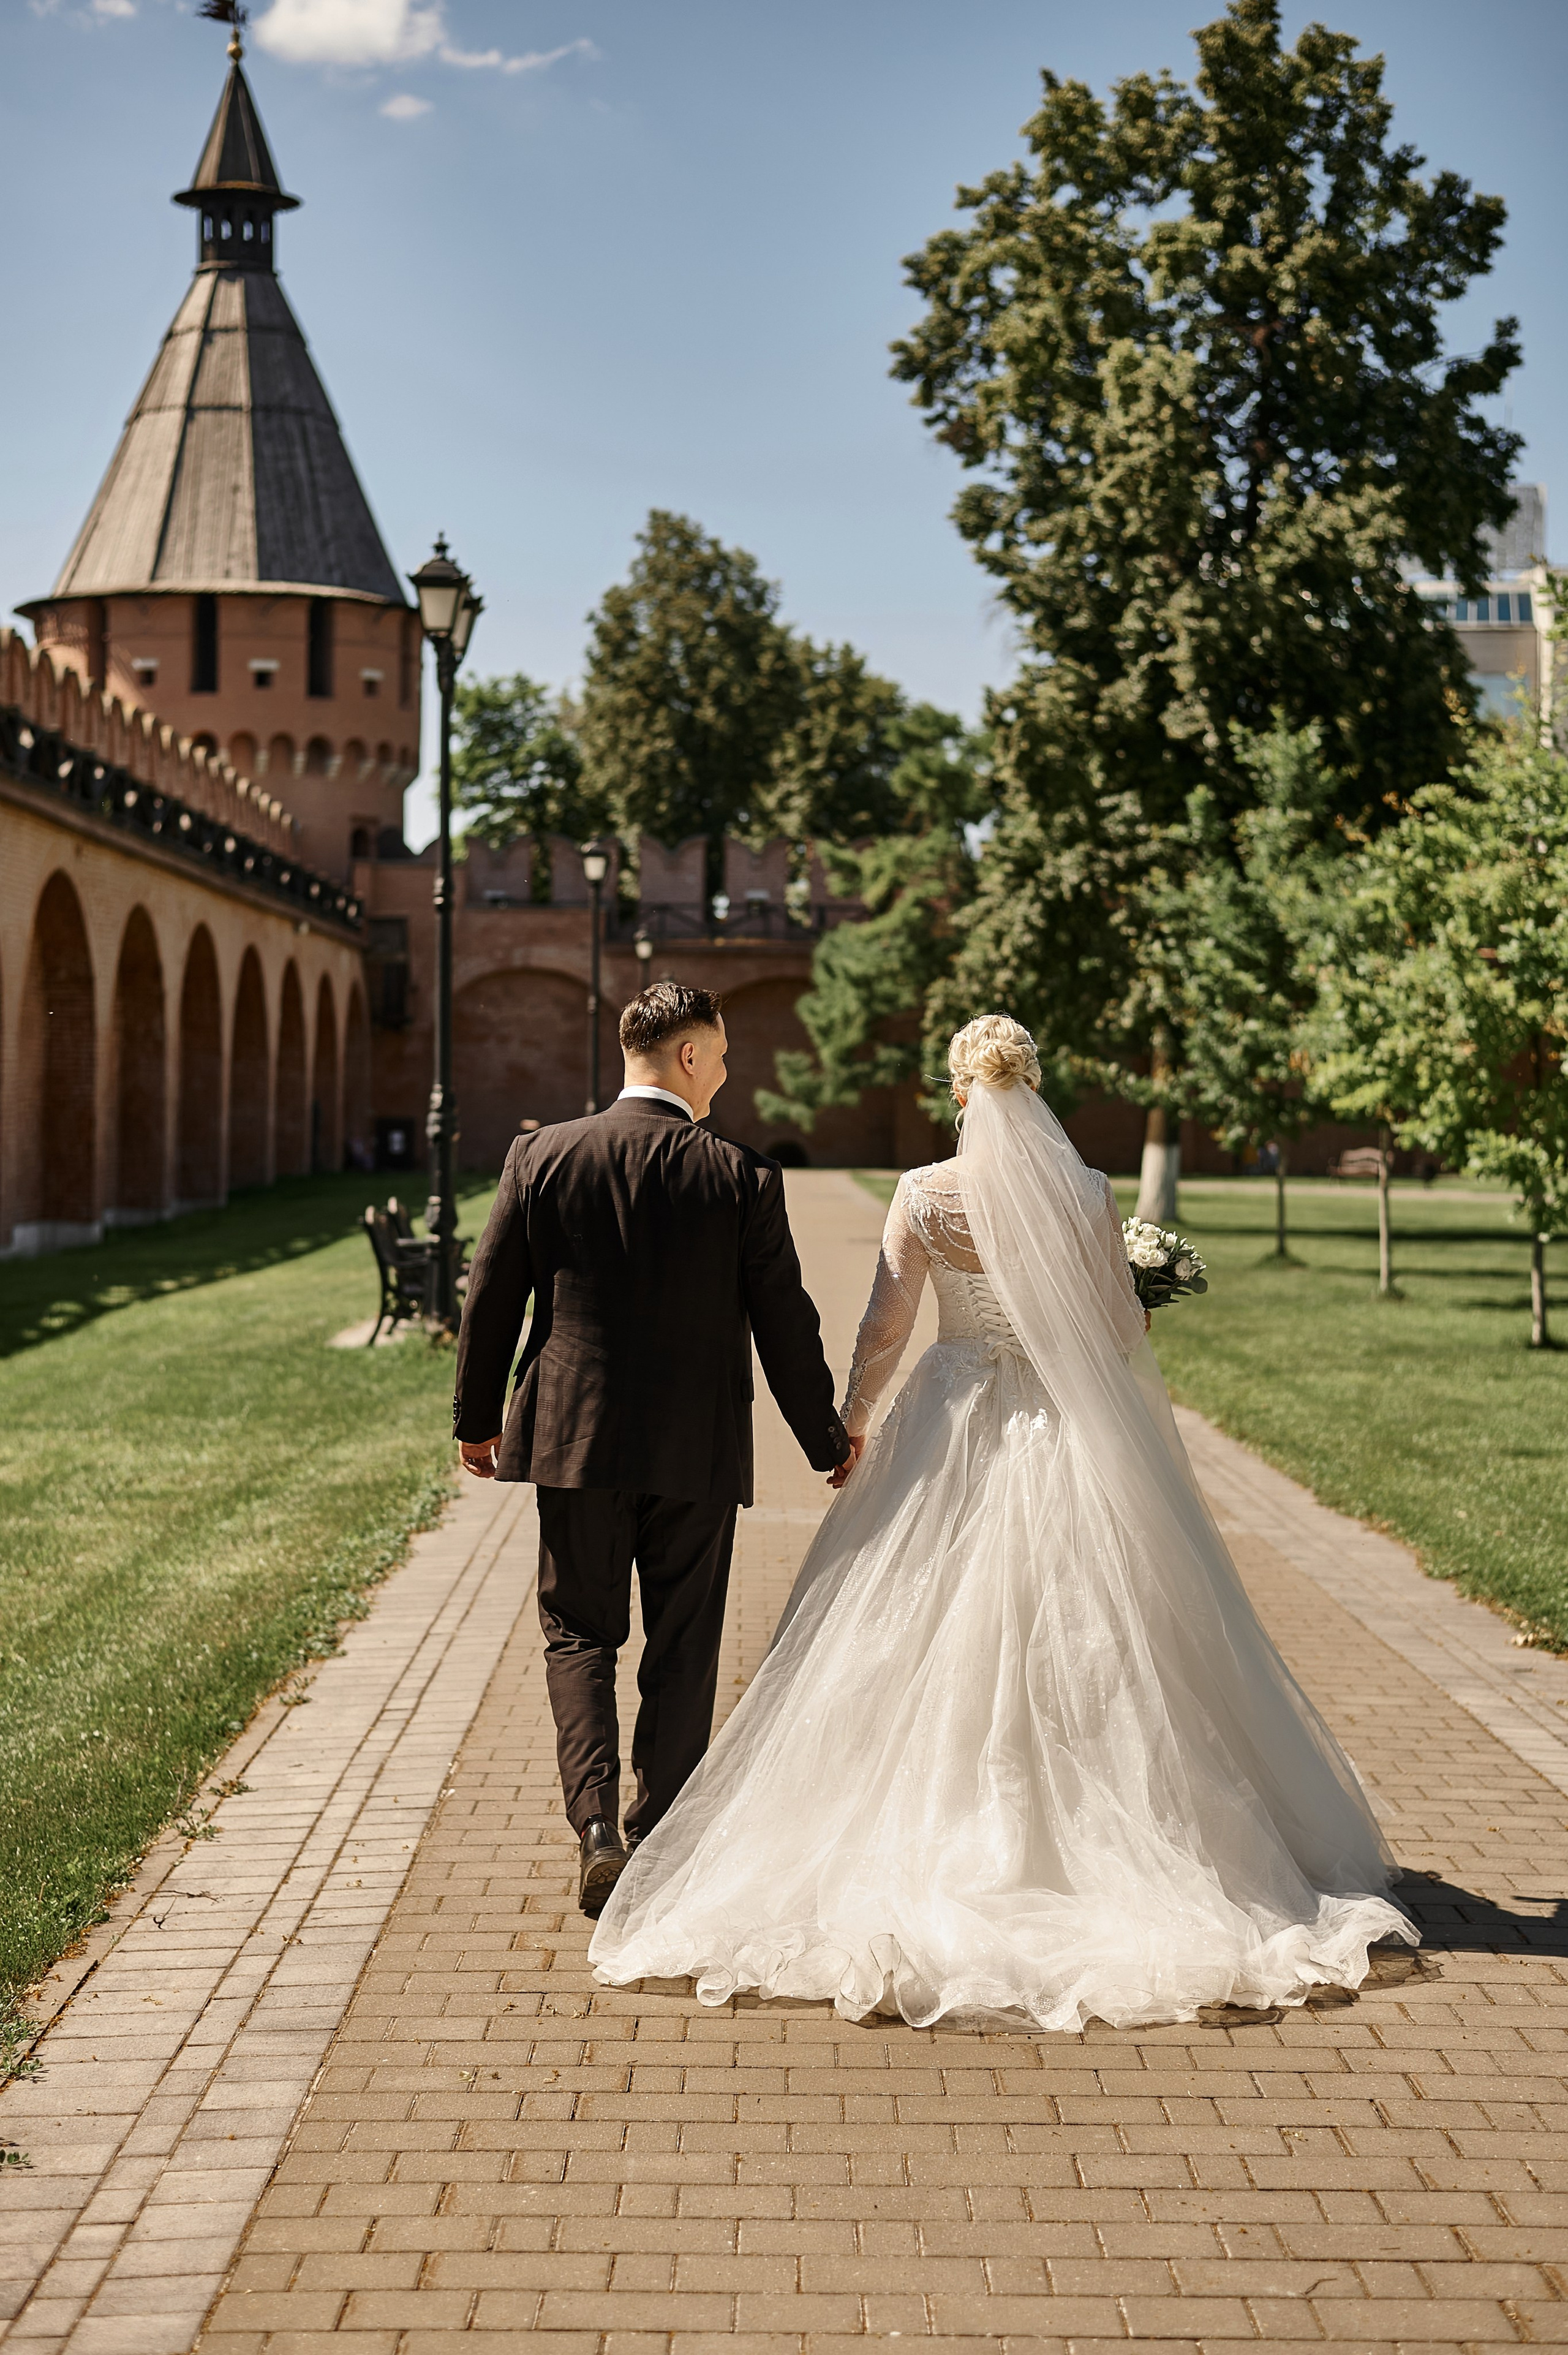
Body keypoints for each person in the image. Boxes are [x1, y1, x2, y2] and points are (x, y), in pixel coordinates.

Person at [590, 1015, 1415, 2030]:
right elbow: (1114, 1335)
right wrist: (1139, 1298)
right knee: (1094, 1626)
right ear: (1033, 1086)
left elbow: (887, 1325)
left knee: (910, 1620)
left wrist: (849, 1425)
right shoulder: (1086, 1193)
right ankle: (1113, 1833)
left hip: (954, 1415)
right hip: (1064, 1424)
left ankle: (928, 1829)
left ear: (958, 1092)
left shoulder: (928, 1193)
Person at [453, 981, 853, 1918]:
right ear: (684, 1057)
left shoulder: (542, 1155)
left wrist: (477, 1420)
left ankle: (596, 1830)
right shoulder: (742, 1176)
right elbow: (784, 1324)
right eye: (718, 1054)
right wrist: (823, 1436)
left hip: (573, 1440)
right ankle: (662, 1830)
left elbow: (491, 1295)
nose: (723, 1070)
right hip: (696, 1449)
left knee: (578, 1635)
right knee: (683, 1644)